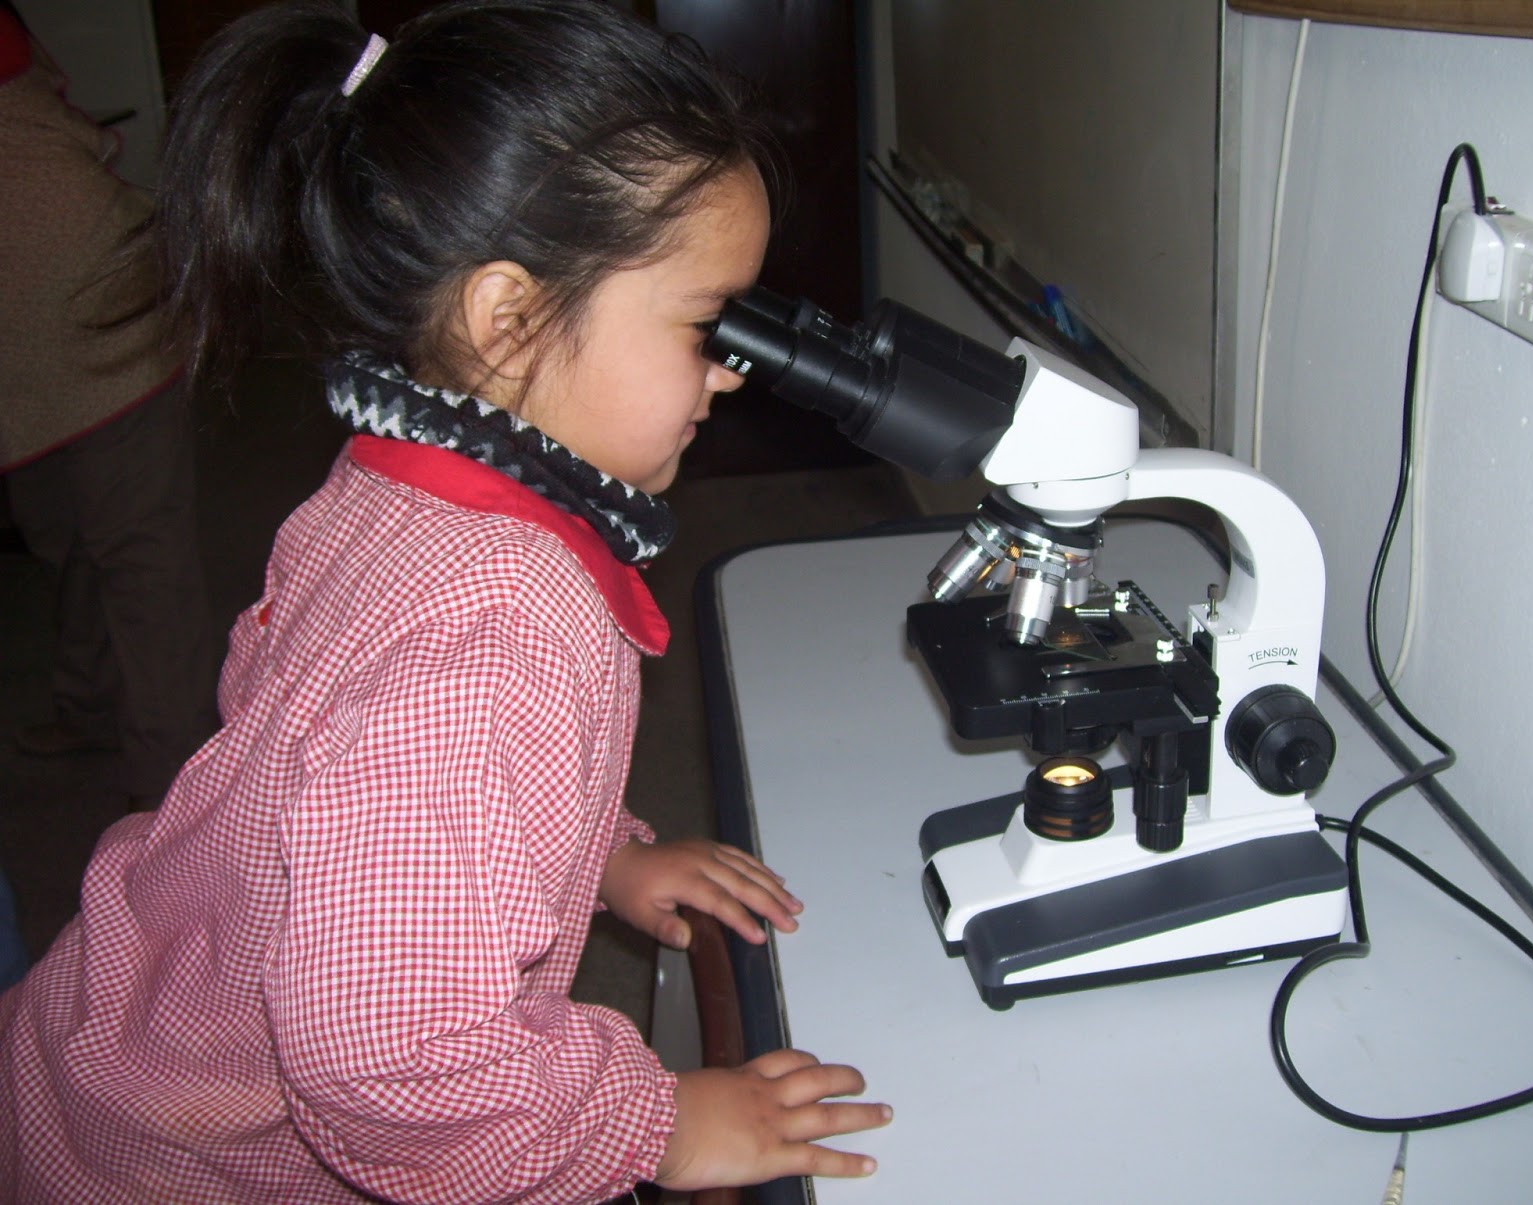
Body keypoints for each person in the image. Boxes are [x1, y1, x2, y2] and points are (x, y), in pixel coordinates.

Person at [0, 2, 890, 1201]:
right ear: (507, 315)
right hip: (182, 1161)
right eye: (701, 323)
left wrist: (599, 852)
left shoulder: (400, 470)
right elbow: (394, 1063)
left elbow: (342, 769)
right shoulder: (496, 633)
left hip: (121, 1022)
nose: (731, 368)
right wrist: (655, 1123)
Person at [0, 0, 216, 811]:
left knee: (136, 545)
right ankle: (90, 704)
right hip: (25, 329)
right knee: (61, 527)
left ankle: (176, 781)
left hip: (91, 291)